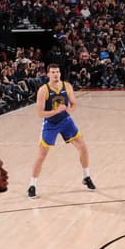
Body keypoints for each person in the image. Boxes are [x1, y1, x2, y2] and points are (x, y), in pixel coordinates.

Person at [27, 63, 95, 198]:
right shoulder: (43, 90)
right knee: (42, 155)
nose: (56, 74)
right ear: (48, 74)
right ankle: (32, 185)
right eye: (52, 72)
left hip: (66, 121)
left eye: (57, 72)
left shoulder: (67, 86)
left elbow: (74, 104)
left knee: (83, 147)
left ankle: (86, 177)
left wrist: (70, 110)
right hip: (50, 123)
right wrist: (56, 111)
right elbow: (40, 113)